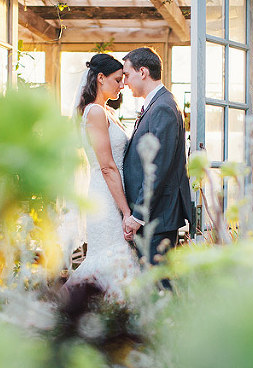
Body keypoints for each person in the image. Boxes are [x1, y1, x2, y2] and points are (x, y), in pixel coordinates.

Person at [65, 53, 138, 297]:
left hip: (113, 192)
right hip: (105, 197)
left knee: (116, 256)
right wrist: (126, 212)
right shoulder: (95, 112)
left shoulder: (108, 112)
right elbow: (106, 165)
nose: (122, 85)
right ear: (100, 78)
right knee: (109, 255)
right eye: (117, 80)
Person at [121, 47, 193, 266]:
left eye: (127, 74)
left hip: (157, 218)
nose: (125, 82)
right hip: (154, 217)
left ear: (142, 72)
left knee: (159, 288)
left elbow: (157, 168)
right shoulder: (157, 104)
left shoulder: (163, 107)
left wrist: (138, 216)